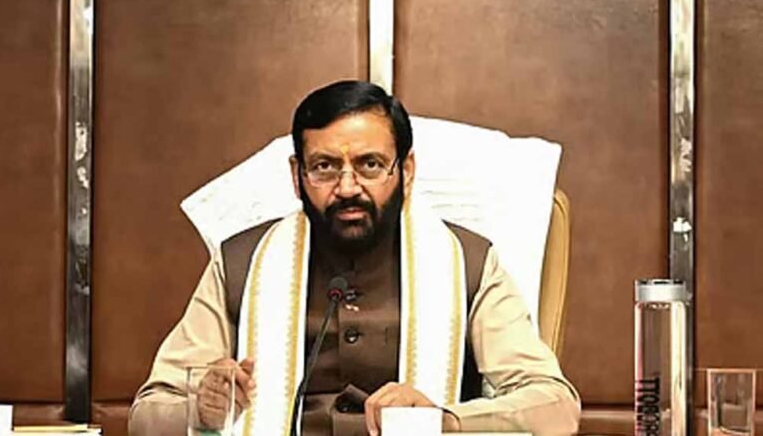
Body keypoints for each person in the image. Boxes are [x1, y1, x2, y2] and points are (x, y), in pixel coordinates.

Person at [128, 80, 581, 436]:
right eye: (325, 166)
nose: (347, 187)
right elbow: (146, 413)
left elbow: (555, 406)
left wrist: (444, 421)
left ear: (406, 172)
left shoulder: (470, 263)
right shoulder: (241, 263)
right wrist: (200, 407)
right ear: (297, 176)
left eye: (369, 165)